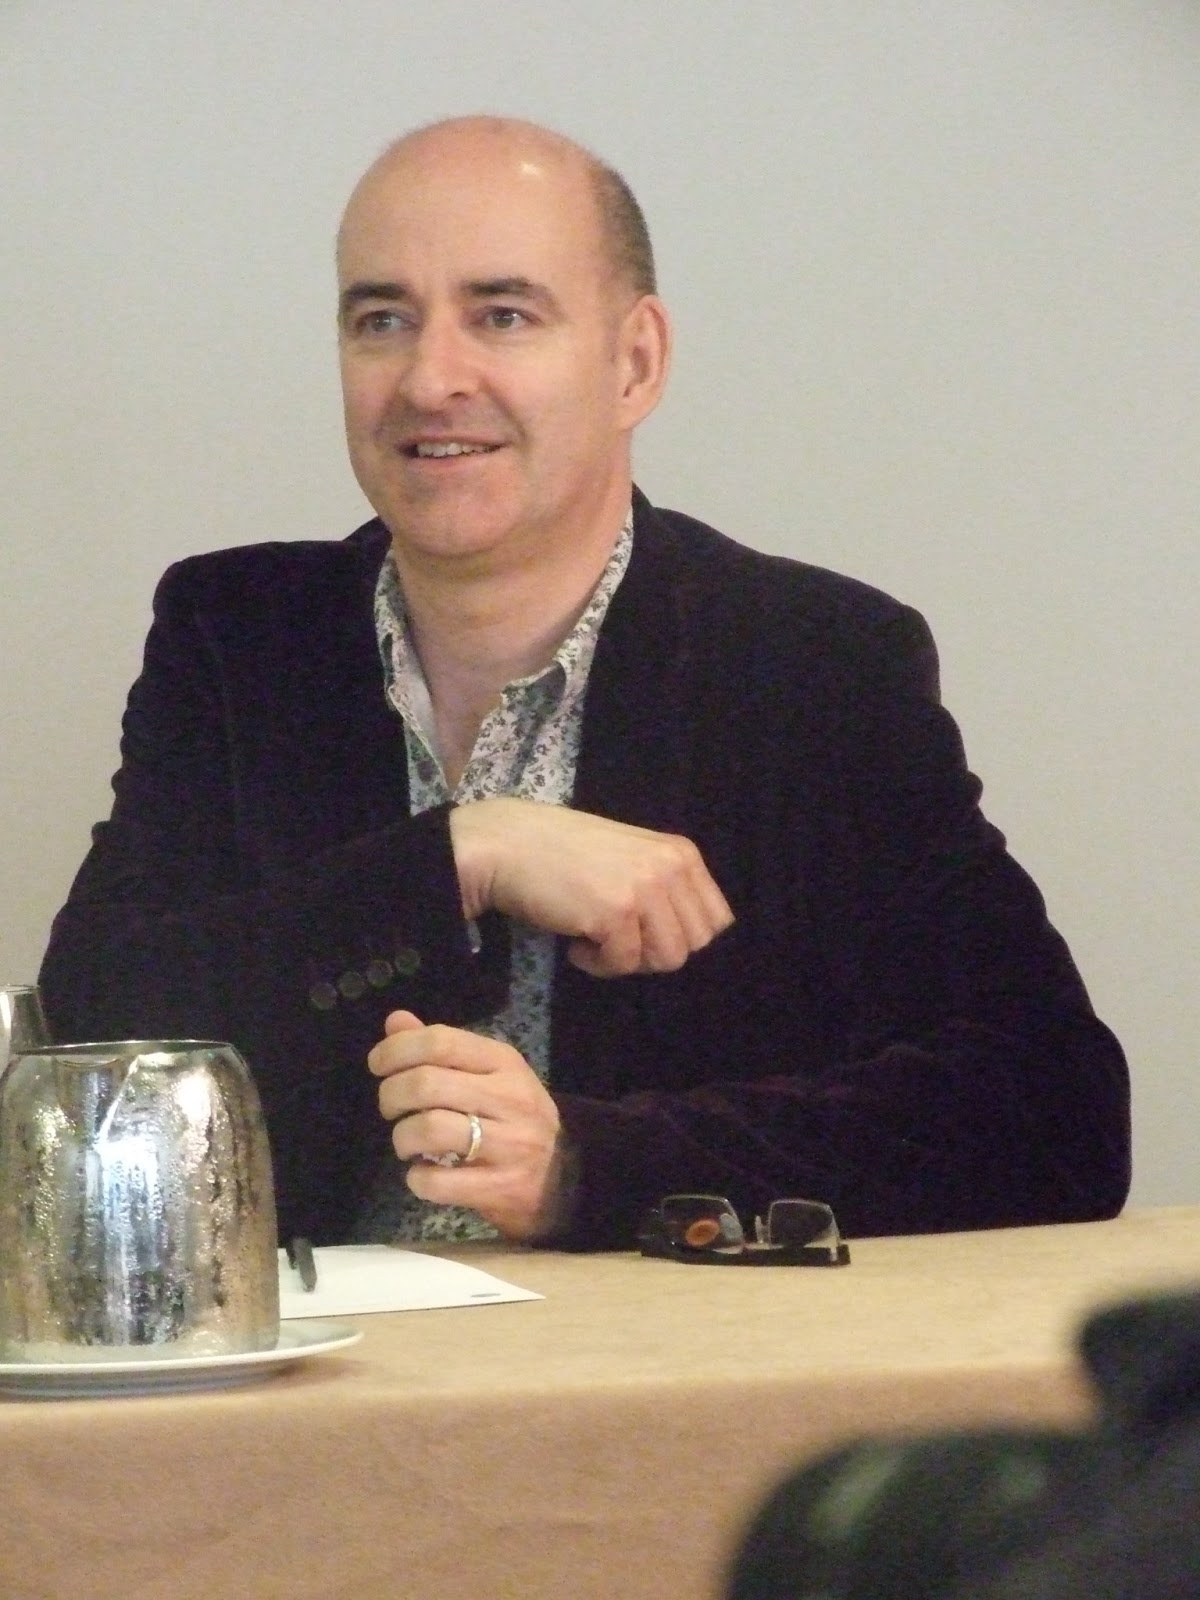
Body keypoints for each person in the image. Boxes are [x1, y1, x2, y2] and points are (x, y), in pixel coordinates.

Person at [39, 116, 1130, 1250]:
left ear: (634, 362)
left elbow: (1054, 1115)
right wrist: (463, 857)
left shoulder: (811, 664)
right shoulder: (242, 636)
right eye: (382, 320)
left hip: (653, 1357)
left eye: (502, 315)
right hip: (309, 1353)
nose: (431, 379)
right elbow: (93, 1048)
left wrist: (587, 1167)